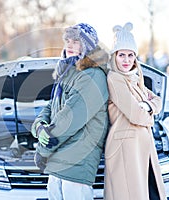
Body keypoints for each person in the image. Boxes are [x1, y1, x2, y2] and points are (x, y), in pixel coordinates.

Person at [31, 23, 109, 200]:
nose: (70, 45)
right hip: (60, 156)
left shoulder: (93, 76)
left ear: (88, 45)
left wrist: (43, 149)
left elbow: (69, 118)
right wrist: (40, 126)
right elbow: (51, 106)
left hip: (79, 158)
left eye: (76, 41)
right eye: (67, 40)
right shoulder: (68, 73)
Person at [104, 22, 166, 200]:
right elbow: (134, 114)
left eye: (130, 55)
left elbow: (157, 101)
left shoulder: (134, 79)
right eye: (121, 55)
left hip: (140, 146)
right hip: (125, 146)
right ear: (114, 56)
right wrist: (149, 116)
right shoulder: (115, 78)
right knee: (129, 194)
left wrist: (147, 106)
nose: (126, 60)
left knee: (146, 192)